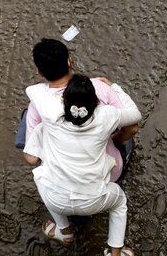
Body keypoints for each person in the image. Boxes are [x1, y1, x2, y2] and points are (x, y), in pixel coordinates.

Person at [24, 75, 141, 256]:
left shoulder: (49, 123)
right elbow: (134, 115)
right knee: (120, 203)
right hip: (93, 198)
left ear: (64, 103)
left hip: (56, 198)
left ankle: (65, 231)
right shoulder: (106, 115)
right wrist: (114, 86)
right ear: (95, 103)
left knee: (42, 178)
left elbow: (30, 158)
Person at [22, 38, 138, 182]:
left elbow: (32, 159)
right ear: (70, 61)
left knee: (27, 116)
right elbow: (132, 128)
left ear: (40, 72)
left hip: (65, 180)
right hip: (107, 174)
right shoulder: (99, 87)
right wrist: (118, 139)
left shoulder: (39, 104)